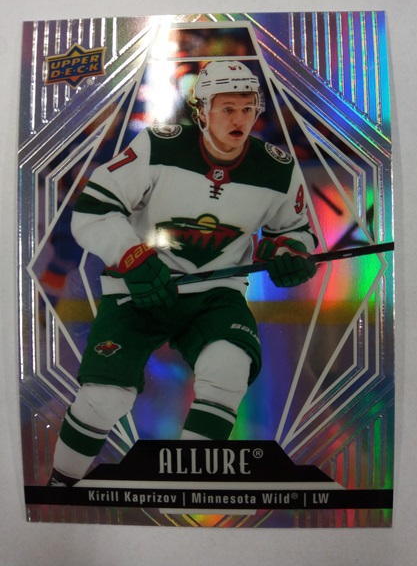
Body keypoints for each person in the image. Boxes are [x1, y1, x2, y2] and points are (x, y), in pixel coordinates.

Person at [48, 60, 318, 486]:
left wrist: (288, 254)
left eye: (247, 109)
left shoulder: (277, 167)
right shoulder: (158, 146)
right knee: (103, 398)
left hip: (216, 293)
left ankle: (187, 482)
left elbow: (296, 231)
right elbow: (94, 210)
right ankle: (61, 484)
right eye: (227, 108)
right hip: (139, 289)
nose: (239, 119)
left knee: (229, 367)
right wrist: (132, 257)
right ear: (201, 111)